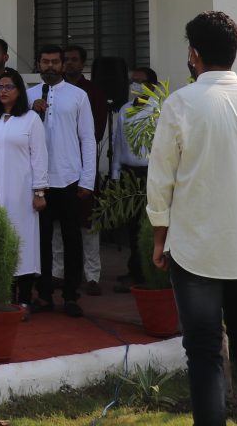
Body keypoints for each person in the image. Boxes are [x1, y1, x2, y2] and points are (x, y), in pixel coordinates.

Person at [147, 11, 237, 426]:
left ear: (193, 54)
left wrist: (159, 238)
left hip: (194, 250)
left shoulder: (181, 104)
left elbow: (161, 180)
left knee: (204, 351)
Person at [30, 44, 96, 317]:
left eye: (54, 62)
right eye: (45, 61)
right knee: (42, 240)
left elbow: (88, 138)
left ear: (62, 65)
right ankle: (44, 294)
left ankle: (70, 295)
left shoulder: (78, 95)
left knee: (72, 239)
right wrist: (32, 110)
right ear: (38, 64)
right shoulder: (29, 95)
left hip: (69, 178)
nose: (50, 66)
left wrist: (87, 179)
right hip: (39, 180)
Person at [0, 69, 47, 308]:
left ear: (19, 91)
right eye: (0, 87)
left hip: (20, 193)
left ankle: (23, 299)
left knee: (21, 241)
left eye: (9, 87)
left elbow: (39, 157)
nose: (3, 91)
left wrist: (39, 192)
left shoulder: (31, 119)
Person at [55, 44, 109, 296]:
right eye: (65, 59)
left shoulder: (93, 92)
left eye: (74, 59)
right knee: (57, 223)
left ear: (83, 63)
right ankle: (57, 272)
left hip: (84, 164)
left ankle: (92, 275)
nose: (69, 63)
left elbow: (95, 132)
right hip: (57, 167)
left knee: (88, 223)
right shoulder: (51, 92)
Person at [113, 66, 158, 288]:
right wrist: (115, 173)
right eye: (133, 81)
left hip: (151, 173)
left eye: (140, 82)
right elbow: (118, 142)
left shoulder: (160, 110)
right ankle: (135, 271)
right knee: (131, 224)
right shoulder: (125, 109)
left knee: (149, 224)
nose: (136, 86)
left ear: (152, 86)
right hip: (129, 173)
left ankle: (151, 272)